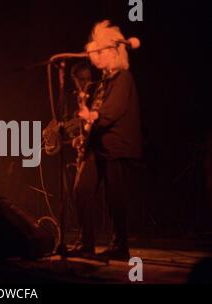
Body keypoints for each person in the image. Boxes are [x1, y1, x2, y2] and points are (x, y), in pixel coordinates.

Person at [68, 20, 143, 260]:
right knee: (82, 190)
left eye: (99, 51)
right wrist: (82, 127)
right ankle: (86, 242)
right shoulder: (102, 82)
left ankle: (120, 245)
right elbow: (95, 115)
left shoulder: (123, 78)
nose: (94, 56)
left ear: (112, 52)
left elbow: (114, 110)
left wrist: (93, 115)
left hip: (116, 146)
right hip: (97, 145)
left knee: (115, 197)